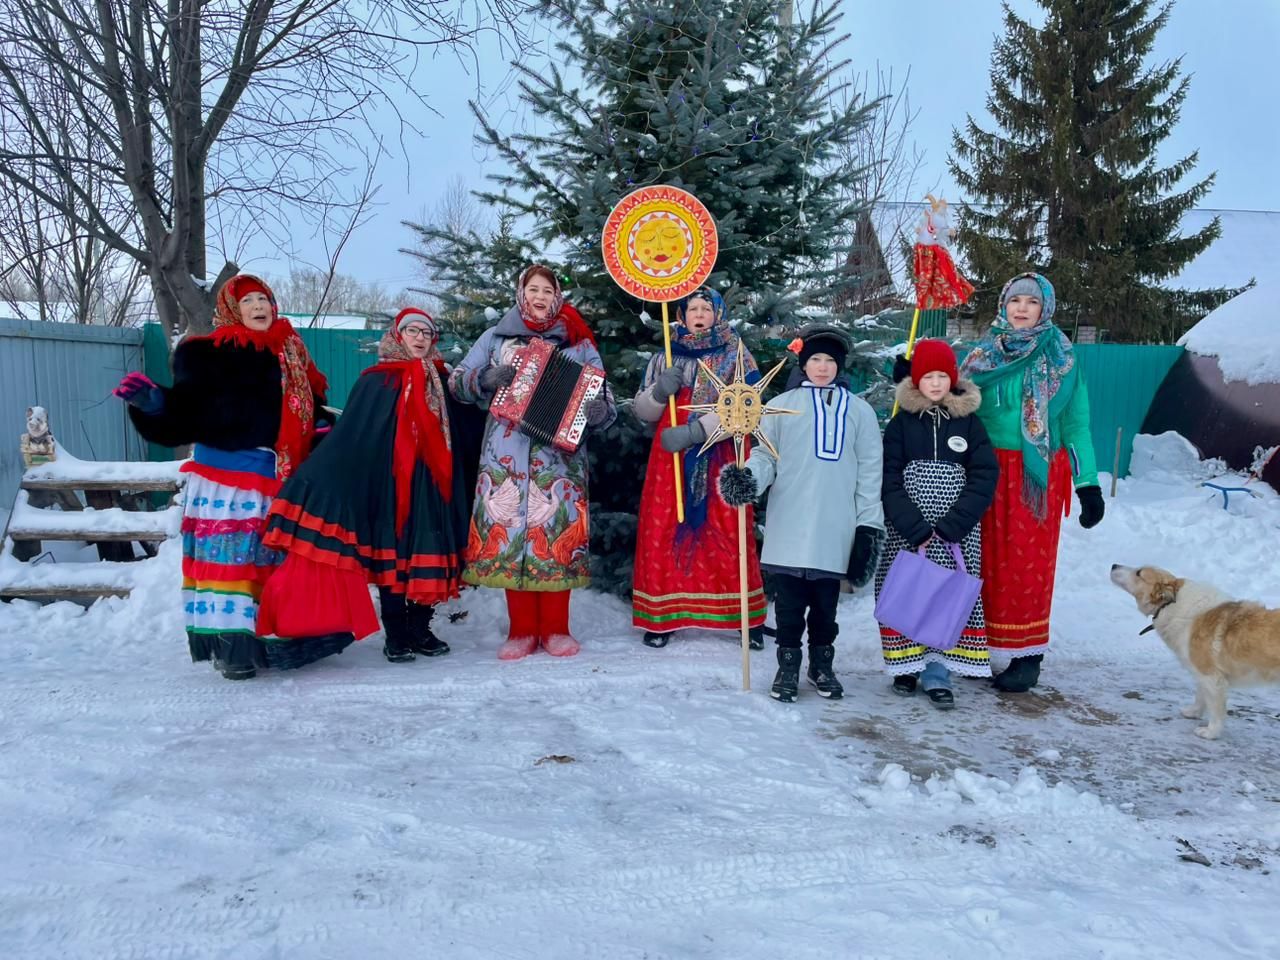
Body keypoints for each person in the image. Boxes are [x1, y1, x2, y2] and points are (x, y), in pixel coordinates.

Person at [114, 274, 332, 680]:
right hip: (227, 482)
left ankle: (280, 641)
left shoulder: (292, 352)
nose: (258, 306)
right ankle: (233, 649)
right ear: (232, 309)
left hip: (281, 480)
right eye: (248, 300)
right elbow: (183, 416)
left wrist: (320, 431)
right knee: (231, 566)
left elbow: (310, 408)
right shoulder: (205, 354)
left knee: (274, 566)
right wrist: (153, 403)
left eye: (263, 298)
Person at [257, 308, 471, 663]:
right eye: (412, 331)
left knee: (426, 551)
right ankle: (397, 635)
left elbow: (465, 429)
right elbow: (354, 434)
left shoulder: (443, 379)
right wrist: (318, 469)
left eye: (426, 333)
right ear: (398, 335)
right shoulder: (377, 380)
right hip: (385, 482)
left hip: (432, 483)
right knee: (392, 556)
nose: (419, 338)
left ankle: (421, 628)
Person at [449, 265, 616, 660]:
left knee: (555, 535)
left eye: (547, 290)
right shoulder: (495, 337)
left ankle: (557, 629)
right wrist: (486, 379)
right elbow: (457, 382)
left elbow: (605, 400)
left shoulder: (578, 344)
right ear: (521, 293)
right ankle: (521, 631)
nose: (540, 297)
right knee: (511, 537)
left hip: (559, 462)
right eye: (533, 289)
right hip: (505, 455)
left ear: (558, 297)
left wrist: (596, 412)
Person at [718, 325, 885, 702]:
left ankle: (821, 666)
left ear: (839, 366)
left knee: (826, 609)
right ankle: (787, 668)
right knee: (790, 606)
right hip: (790, 522)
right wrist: (748, 479)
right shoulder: (779, 406)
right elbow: (764, 456)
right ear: (803, 363)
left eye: (829, 361)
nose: (822, 367)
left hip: (835, 526)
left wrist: (868, 526)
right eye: (815, 360)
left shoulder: (859, 412)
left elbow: (870, 473)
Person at [960, 272, 1105, 692]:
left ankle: (1027, 657)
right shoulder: (979, 357)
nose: (1021, 308)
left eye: (1032, 302)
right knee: (979, 559)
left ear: (1046, 309)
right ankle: (972, 646)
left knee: (1027, 566)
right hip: (983, 471)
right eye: (1014, 301)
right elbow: (950, 405)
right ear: (1003, 306)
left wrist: (1088, 485)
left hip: (1035, 475)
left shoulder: (1062, 359)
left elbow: (1076, 426)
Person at [630, 288, 766, 649]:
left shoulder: (736, 354)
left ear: (718, 314)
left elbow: (747, 407)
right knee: (665, 528)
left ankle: (742, 618)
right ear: (681, 315)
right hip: (670, 458)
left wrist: (697, 431)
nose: (700, 313)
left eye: (707, 307)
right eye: (694, 308)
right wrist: (660, 392)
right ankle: (663, 617)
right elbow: (642, 412)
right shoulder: (666, 357)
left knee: (728, 532)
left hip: (721, 453)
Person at [875, 339, 998, 708]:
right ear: (915, 380)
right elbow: (889, 477)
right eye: (927, 376)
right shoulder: (901, 425)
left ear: (953, 379)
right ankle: (905, 667)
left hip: (954, 533)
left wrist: (955, 523)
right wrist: (911, 525)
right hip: (908, 531)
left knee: (945, 595)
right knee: (910, 592)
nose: (935, 383)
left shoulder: (969, 424)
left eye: (942, 376)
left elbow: (984, 474)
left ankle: (937, 671)